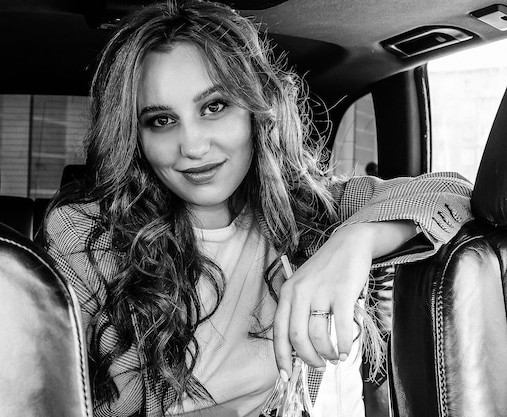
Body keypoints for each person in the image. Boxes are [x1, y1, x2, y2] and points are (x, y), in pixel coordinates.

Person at [43, 1, 473, 416]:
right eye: (161, 120)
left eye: (214, 107)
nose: (192, 146)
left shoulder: (312, 209)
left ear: (254, 111)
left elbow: (451, 192)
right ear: (135, 138)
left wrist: (353, 244)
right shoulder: (88, 235)